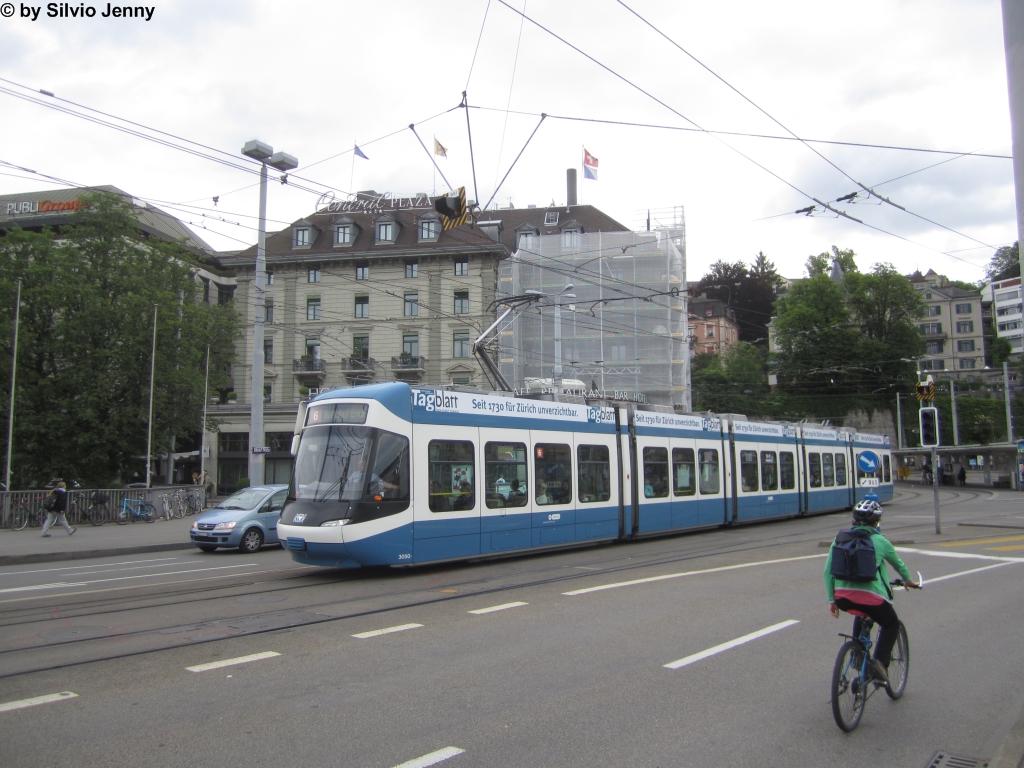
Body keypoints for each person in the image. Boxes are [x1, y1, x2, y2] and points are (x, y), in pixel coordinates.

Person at [824, 499, 918, 684]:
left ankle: (857, 654)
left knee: (861, 614)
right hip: (872, 599)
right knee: (891, 623)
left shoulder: (840, 538)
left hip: (842, 597)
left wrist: (831, 600)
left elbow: (828, 571)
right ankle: (880, 664)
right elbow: (898, 564)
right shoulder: (880, 541)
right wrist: (909, 581)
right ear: (876, 523)